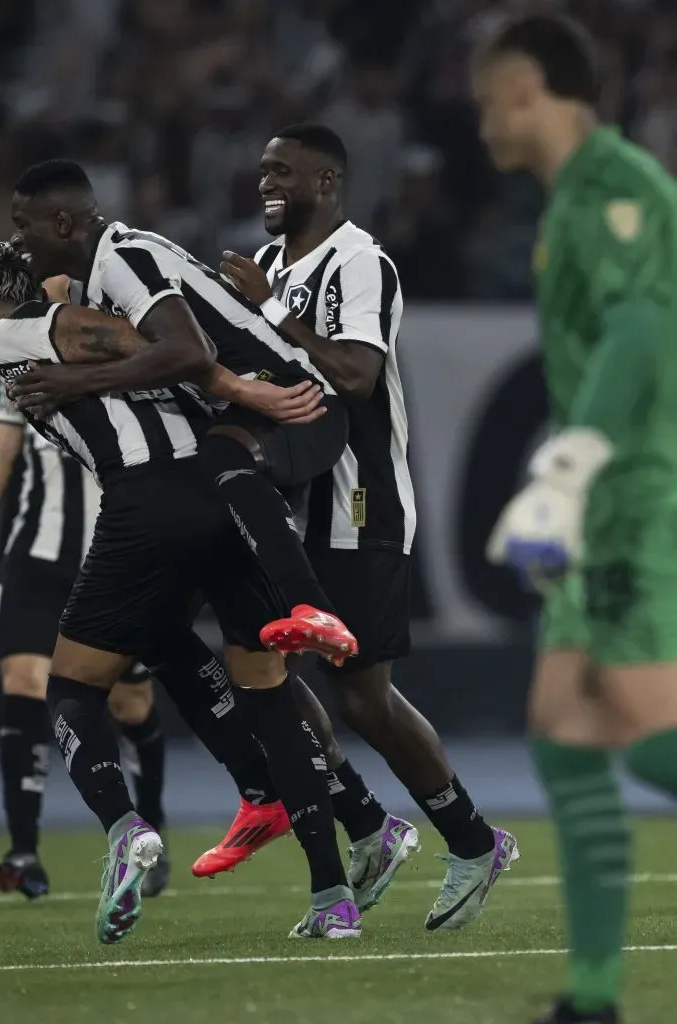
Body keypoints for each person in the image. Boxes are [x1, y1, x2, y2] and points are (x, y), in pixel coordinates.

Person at [0, 239, 362, 941]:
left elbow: (114, 336)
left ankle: (125, 827)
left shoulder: (10, 333)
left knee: (75, 688)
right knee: (241, 679)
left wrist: (240, 388)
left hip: (143, 505)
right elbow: (139, 340)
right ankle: (331, 892)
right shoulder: (107, 322)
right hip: (218, 494)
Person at [193, 123, 517, 931]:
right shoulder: (265, 267)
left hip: (356, 501)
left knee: (364, 699)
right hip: (279, 507)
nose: (264, 183)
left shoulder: (356, 259)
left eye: (281, 172)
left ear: (326, 182)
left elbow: (357, 375)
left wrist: (273, 319)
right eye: (260, 169)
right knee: (257, 671)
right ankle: (368, 824)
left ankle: (473, 841)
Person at [476, 14, 677, 1024]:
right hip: (602, 499)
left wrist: (566, 464)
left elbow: (642, 332)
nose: (480, 127)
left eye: (484, 103)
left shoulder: (615, 187)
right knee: (562, 733)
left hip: (641, 493)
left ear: (523, 88)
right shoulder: (571, 203)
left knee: (646, 735)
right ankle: (594, 1001)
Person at [8, 158, 359, 669]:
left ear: (62, 224)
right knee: (227, 640)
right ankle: (295, 739)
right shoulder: (93, 284)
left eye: (23, 225)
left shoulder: (123, 259)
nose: (17, 240)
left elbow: (190, 353)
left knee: (219, 456)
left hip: (298, 404)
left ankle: (317, 610)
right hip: (250, 430)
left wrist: (75, 381)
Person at [0, 348, 170, 900]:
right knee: (24, 684)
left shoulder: (126, 340)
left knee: (131, 704)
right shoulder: (13, 358)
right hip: (38, 557)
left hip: (117, 558)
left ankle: (150, 825)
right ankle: (24, 850)